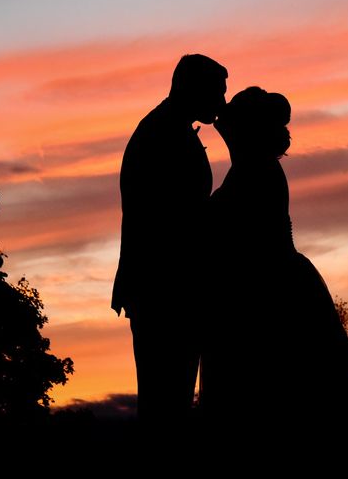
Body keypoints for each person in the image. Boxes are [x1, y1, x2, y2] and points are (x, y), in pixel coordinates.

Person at [200, 86, 348, 426]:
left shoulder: (256, 172)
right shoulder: (251, 168)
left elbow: (231, 233)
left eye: (233, 115)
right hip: (271, 283)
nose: (223, 118)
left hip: (266, 291)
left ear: (246, 129)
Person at [111, 54, 228, 423]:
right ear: (194, 89)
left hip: (165, 291)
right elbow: (170, 220)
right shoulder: (162, 135)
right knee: (165, 407)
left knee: (168, 404)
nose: (222, 104)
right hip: (165, 292)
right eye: (217, 93)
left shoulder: (167, 130)